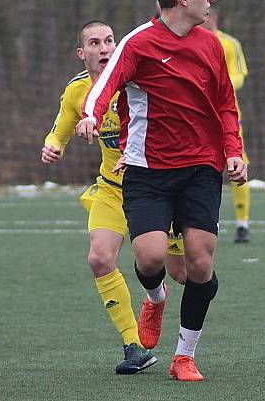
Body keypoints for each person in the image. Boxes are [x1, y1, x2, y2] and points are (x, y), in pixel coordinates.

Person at [76, 0, 247, 381]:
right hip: (147, 169)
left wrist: (234, 150)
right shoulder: (138, 43)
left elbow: (226, 104)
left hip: (201, 168)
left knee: (200, 266)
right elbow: (103, 86)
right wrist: (91, 115)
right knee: (150, 258)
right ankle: (154, 299)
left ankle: (184, 356)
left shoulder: (212, 45)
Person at [41, 20, 186, 375]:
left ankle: (157, 296)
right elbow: (61, 128)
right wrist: (53, 146)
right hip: (110, 189)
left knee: (182, 272)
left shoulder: (136, 82)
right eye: (95, 42)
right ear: (82, 53)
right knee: (99, 258)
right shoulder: (77, 91)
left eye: (109, 41)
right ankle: (133, 346)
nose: (104, 48)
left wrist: (134, 151)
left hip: (153, 187)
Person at [202, 6, 251, 243]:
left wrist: (220, 84)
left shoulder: (230, 44)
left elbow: (240, 76)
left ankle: (243, 223)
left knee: (237, 164)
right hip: (198, 117)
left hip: (226, 115)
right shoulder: (189, 41)